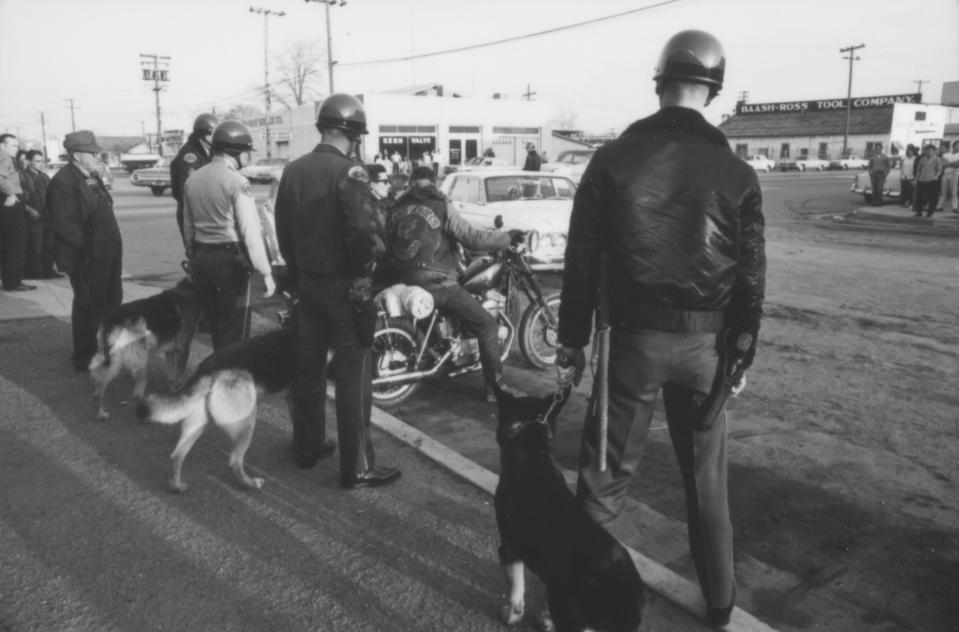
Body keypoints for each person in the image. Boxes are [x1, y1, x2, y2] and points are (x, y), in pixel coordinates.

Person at [555, 30, 766, 628]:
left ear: (659, 81)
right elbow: (751, 277)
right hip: (706, 348)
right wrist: (741, 354)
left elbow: (581, 260)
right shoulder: (735, 170)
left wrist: (572, 341)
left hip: (631, 344)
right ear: (714, 88)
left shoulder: (614, 158)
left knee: (602, 477)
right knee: (706, 480)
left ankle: (575, 606)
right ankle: (720, 603)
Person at [274, 93, 401, 488]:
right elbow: (364, 231)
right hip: (347, 289)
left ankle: (307, 447)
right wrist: (364, 270)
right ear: (354, 133)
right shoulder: (351, 173)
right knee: (353, 377)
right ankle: (358, 466)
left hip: (308, 287)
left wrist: (297, 277)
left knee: (309, 370)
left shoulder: (293, 170)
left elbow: (283, 229)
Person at [383, 165, 527, 402]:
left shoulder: (396, 209)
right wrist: (506, 237)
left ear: (411, 183)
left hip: (406, 282)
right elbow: (473, 238)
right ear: (433, 183)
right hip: (437, 282)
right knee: (487, 325)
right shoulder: (440, 205)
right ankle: (495, 388)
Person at [182, 120, 275, 351]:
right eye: (246, 152)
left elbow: (188, 228)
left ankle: (217, 377)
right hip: (229, 262)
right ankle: (228, 383)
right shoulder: (237, 181)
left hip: (202, 258)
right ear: (236, 152)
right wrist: (266, 271)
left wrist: (194, 258)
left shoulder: (193, 179)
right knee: (234, 333)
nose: (247, 157)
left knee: (215, 327)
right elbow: (250, 232)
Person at [48, 131, 123, 370]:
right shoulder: (63, 181)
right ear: (78, 155)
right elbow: (64, 223)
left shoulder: (91, 175)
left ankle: (106, 351)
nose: (97, 156)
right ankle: (85, 356)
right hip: (87, 257)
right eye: (93, 153)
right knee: (89, 306)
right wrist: (90, 249)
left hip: (108, 251)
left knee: (111, 301)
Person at [171, 113, 217, 239]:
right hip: (193, 214)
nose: (214, 138)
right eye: (211, 134)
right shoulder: (190, 156)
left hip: (205, 212)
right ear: (201, 135)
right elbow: (187, 190)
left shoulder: (208, 151)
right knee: (197, 253)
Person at [0, 133, 35, 291]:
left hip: (11, 201)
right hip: (11, 202)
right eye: (13, 145)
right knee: (14, 243)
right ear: (2, 146)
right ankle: (13, 282)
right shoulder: (4, 158)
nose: (17, 148)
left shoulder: (8, 158)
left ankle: (12, 280)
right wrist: (11, 194)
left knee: (11, 243)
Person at [21, 149, 59, 279]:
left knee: (49, 246)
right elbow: (18, 198)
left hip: (47, 216)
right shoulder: (22, 176)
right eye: (37, 161)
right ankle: (36, 274)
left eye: (42, 161)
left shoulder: (44, 176)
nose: (41, 164)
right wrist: (30, 210)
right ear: (28, 162)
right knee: (36, 247)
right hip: (33, 218)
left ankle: (48, 271)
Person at [914, 144, 944, 218]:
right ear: (925, 151)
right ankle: (919, 212)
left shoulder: (937, 159)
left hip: (932, 180)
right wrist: (916, 179)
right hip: (922, 179)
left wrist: (936, 176)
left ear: (934, 151)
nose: (929, 152)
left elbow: (939, 169)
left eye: (931, 150)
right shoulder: (922, 159)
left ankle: (929, 213)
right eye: (927, 150)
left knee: (932, 198)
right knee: (919, 197)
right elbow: (918, 170)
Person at [937, 140, 959, 214]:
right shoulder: (946, 155)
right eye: (957, 145)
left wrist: (949, 164)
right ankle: (939, 207)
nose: (958, 147)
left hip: (955, 174)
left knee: (954, 191)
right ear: (953, 146)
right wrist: (953, 164)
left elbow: (957, 165)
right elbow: (944, 164)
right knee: (943, 191)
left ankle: (955, 207)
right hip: (946, 174)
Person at [899, 144, 918, 208]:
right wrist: (901, 177)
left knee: (910, 191)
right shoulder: (904, 158)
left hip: (911, 177)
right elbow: (902, 167)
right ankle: (906, 203)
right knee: (904, 191)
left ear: (913, 151)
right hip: (904, 176)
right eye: (908, 151)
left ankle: (910, 204)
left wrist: (915, 178)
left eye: (911, 151)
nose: (910, 152)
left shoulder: (915, 159)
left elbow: (916, 169)